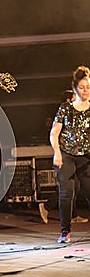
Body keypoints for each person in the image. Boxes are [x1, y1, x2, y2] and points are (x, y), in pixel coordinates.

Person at [50, 66, 90, 243]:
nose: (86, 90)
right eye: (82, 87)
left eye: (88, 87)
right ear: (75, 88)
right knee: (67, 194)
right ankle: (65, 232)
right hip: (66, 155)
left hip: (86, 157)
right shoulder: (66, 108)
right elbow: (54, 133)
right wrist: (57, 153)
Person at [38, 89, 88, 225]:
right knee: (69, 187)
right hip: (65, 156)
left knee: (75, 186)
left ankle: (72, 215)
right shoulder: (63, 115)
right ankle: (47, 206)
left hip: (76, 155)